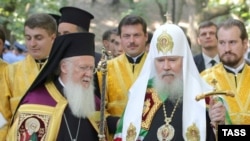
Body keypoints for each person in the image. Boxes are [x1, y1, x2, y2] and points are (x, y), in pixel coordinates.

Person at [114, 22, 225, 141]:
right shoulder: (140, 96)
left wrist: (220, 124)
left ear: (184, 60)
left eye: (172, 60)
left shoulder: (206, 98)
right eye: (160, 60)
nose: (166, 66)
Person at [6, 32, 115, 140]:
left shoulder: (93, 102)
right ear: (64, 67)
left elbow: (103, 127)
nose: (89, 74)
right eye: (83, 67)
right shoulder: (36, 102)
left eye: (91, 68)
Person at [0, 13, 57, 139]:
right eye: (28, 38)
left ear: (53, 38)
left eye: (38, 38)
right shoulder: (11, 71)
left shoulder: (63, 70)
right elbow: (3, 116)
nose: (32, 44)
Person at [97, 14, 148, 118]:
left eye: (137, 35)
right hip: (115, 132)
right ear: (120, 38)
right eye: (126, 36)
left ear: (146, 36)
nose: (132, 41)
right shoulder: (106, 68)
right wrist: (117, 125)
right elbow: (98, 109)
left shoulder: (158, 66)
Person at [201, 18, 250, 125]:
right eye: (222, 43)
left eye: (232, 42)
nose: (227, 49)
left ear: (245, 43)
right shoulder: (204, 79)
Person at [58, 6, 102, 98]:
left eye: (66, 34)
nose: (61, 39)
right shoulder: (55, 59)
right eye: (59, 35)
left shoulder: (99, 63)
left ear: (81, 36)